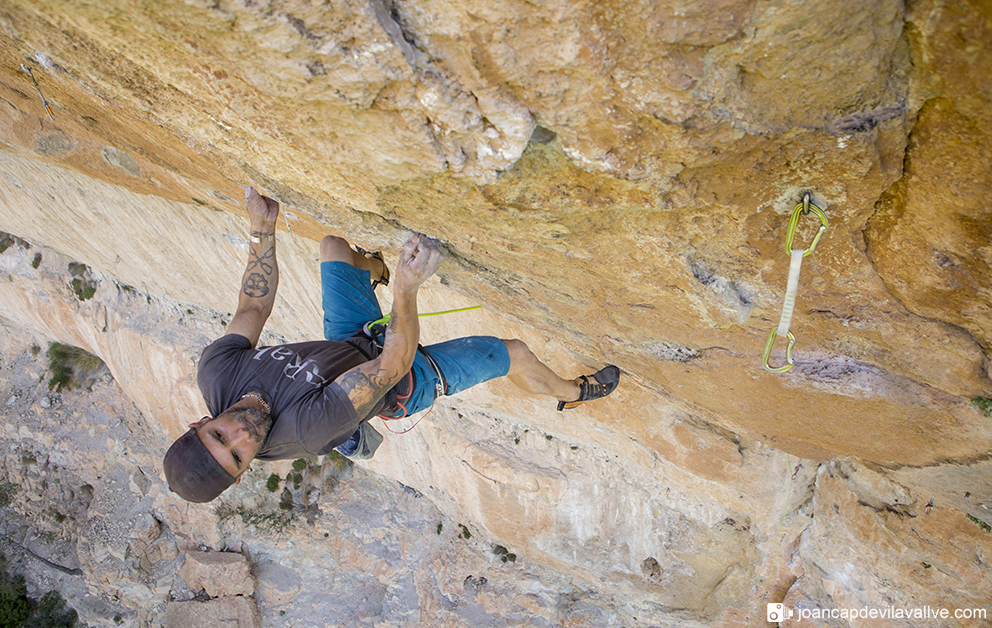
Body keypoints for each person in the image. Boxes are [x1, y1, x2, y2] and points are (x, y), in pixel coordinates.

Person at [164, 187, 620, 503]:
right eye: (238, 454)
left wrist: (261, 229)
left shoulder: (217, 373)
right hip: (401, 381)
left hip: (349, 346)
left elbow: (252, 307)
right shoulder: (306, 431)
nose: (243, 434)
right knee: (515, 352)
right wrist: (406, 288)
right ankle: (573, 393)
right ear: (245, 471)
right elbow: (395, 362)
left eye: (220, 435)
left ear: (201, 420)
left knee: (332, 247)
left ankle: (373, 271)